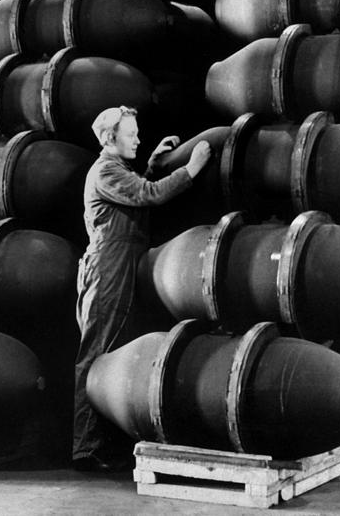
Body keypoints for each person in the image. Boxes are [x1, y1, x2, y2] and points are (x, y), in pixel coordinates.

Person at [72, 105, 212, 472]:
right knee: (98, 352)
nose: (137, 138)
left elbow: (136, 193)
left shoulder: (117, 170)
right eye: (131, 133)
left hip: (124, 264)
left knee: (117, 353)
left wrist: (151, 164)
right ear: (109, 138)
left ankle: (107, 443)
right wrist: (190, 170)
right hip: (108, 269)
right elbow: (148, 195)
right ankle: (85, 447)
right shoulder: (104, 170)